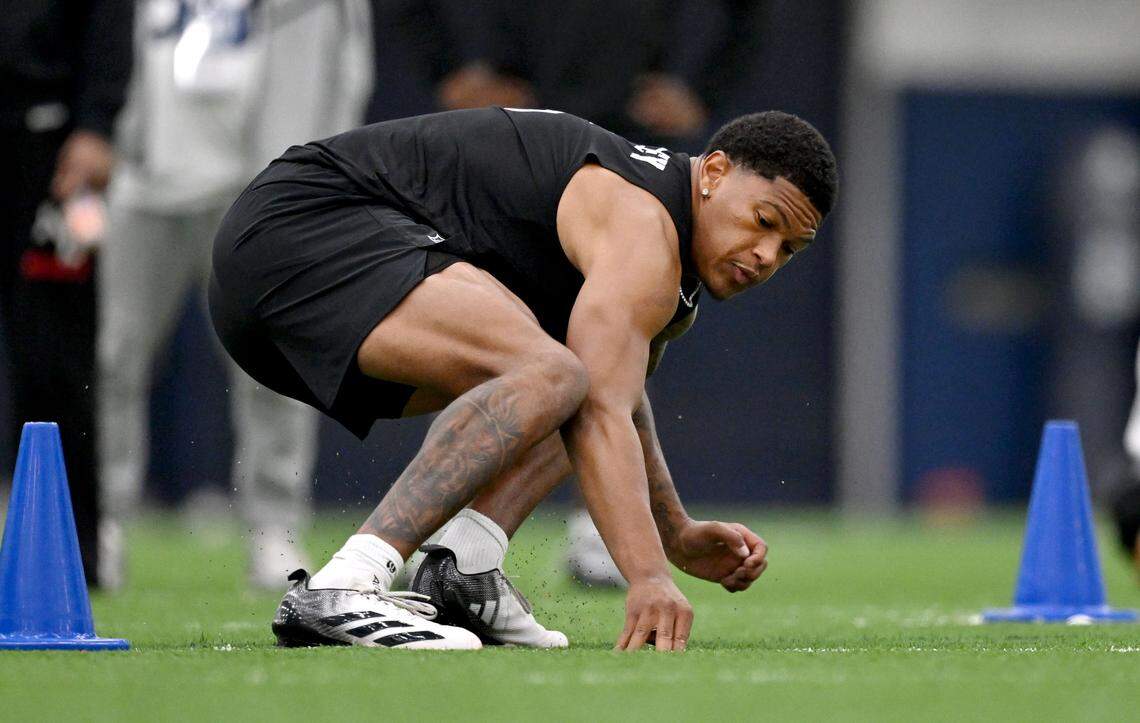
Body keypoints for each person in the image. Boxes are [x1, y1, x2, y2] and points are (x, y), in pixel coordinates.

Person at [209, 106, 837, 650]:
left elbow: (614, 394)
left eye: (789, 249)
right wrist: (648, 577)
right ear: (716, 173)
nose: (766, 255)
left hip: (278, 283)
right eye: (763, 221)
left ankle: (464, 569)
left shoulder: (665, 266)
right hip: (298, 229)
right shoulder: (642, 227)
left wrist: (675, 533)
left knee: (575, 370)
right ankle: (347, 581)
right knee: (553, 372)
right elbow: (596, 410)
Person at [96, 0, 372, 590]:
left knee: (274, 368)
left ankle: (274, 526)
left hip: (260, 188)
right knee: (113, 359)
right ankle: (103, 521)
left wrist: (321, 174)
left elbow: (348, 66)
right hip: (147, 181)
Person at [1, 0, 134, 585]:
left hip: (46, 152)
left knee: (55, 363)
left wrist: (97, 124)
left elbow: (108, 16)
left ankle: (69, 553)